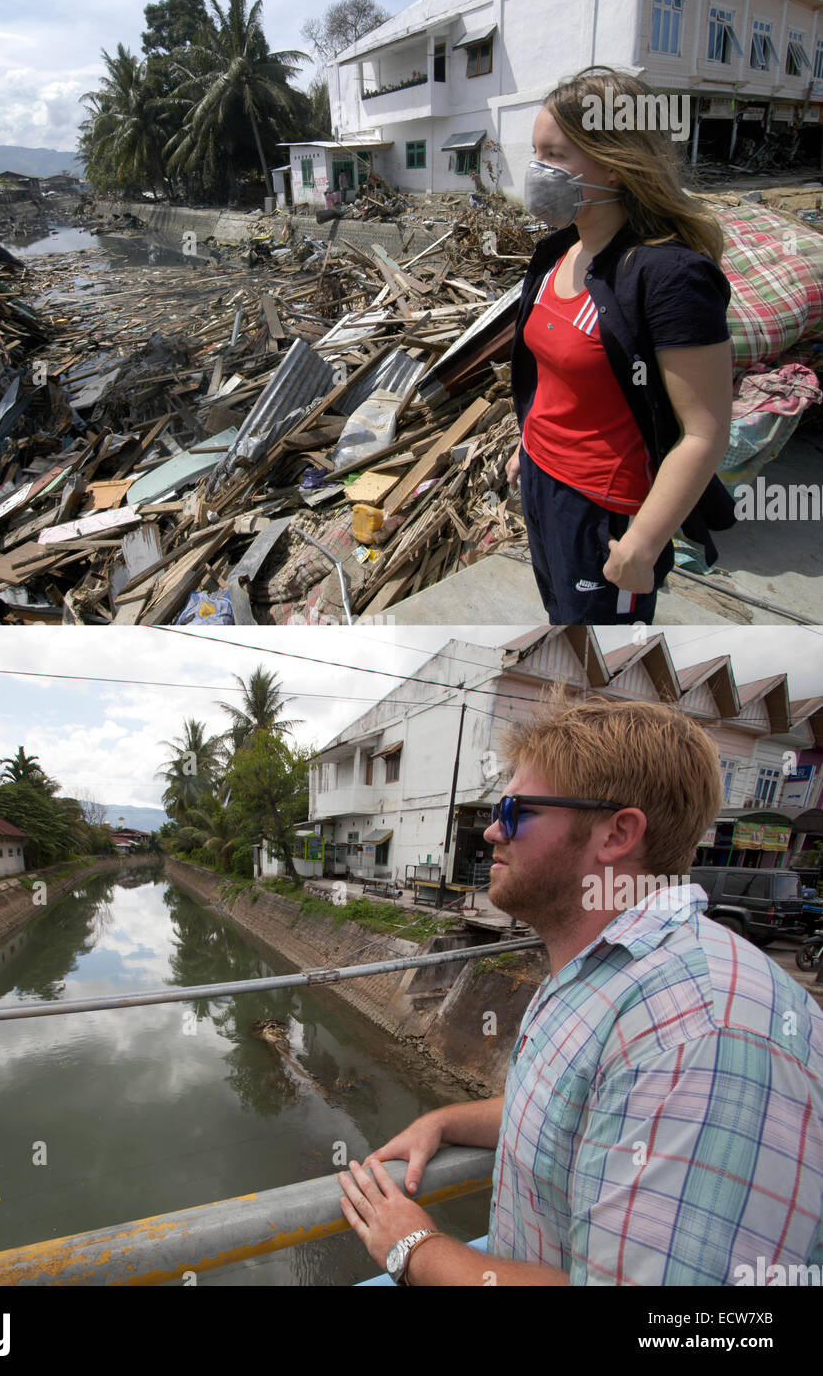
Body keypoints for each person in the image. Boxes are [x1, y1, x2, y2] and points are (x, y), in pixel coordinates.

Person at [338, 697, 823, 1284]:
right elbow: (575, 1110)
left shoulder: (700, 1034)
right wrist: (444, 1121)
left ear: (617, 833)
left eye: (517, 811)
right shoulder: (605, 973)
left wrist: (412, 1247)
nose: (493, 829)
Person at [505, 67, 736, 624]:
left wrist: (645, 542)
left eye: (556, 155)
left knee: (605, 672)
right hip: (542, 484)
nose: (538, 170)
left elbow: (705, 432)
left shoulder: (670, 276)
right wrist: (526, 444)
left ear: (616, 160)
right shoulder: (559, 251)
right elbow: (552, 374)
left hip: (605, 512)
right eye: (536, 152)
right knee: (565, 629)